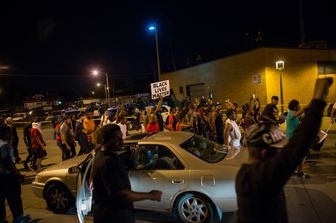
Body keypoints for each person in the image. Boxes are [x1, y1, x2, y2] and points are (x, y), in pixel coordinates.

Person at [235, 78, 332, 223]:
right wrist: (318, 100)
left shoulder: (245, 174)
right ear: (264, 153)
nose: (279, 153)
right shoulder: (262, 178)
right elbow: (296, 148)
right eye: (276, 150)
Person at [92, 124, 162, 223]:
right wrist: (150, 195)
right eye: (118, 139)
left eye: (122, 138)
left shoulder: (100, 156)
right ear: (107, 140)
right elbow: (122, 194)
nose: (122, 142)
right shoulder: (109, 162)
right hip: (113, 217)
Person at [0, 125, 30, 223]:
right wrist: (18, 175)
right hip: (8, 177)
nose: (11, 134)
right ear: (4, 133)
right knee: (14, 198)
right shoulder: (5, 146)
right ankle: (18, 218)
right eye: (9, 132)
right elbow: (8, 163)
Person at [285, 99, 309, 178]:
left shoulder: (294, 114)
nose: (300, 105)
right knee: (302, 154)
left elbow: (301, 118)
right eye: (298, 104)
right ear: (295, 107)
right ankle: (300, 171)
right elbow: (298, 113)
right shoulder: (291, 113)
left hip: (294, 137)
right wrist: (305, 107)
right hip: (291, 138)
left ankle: (296, 170)